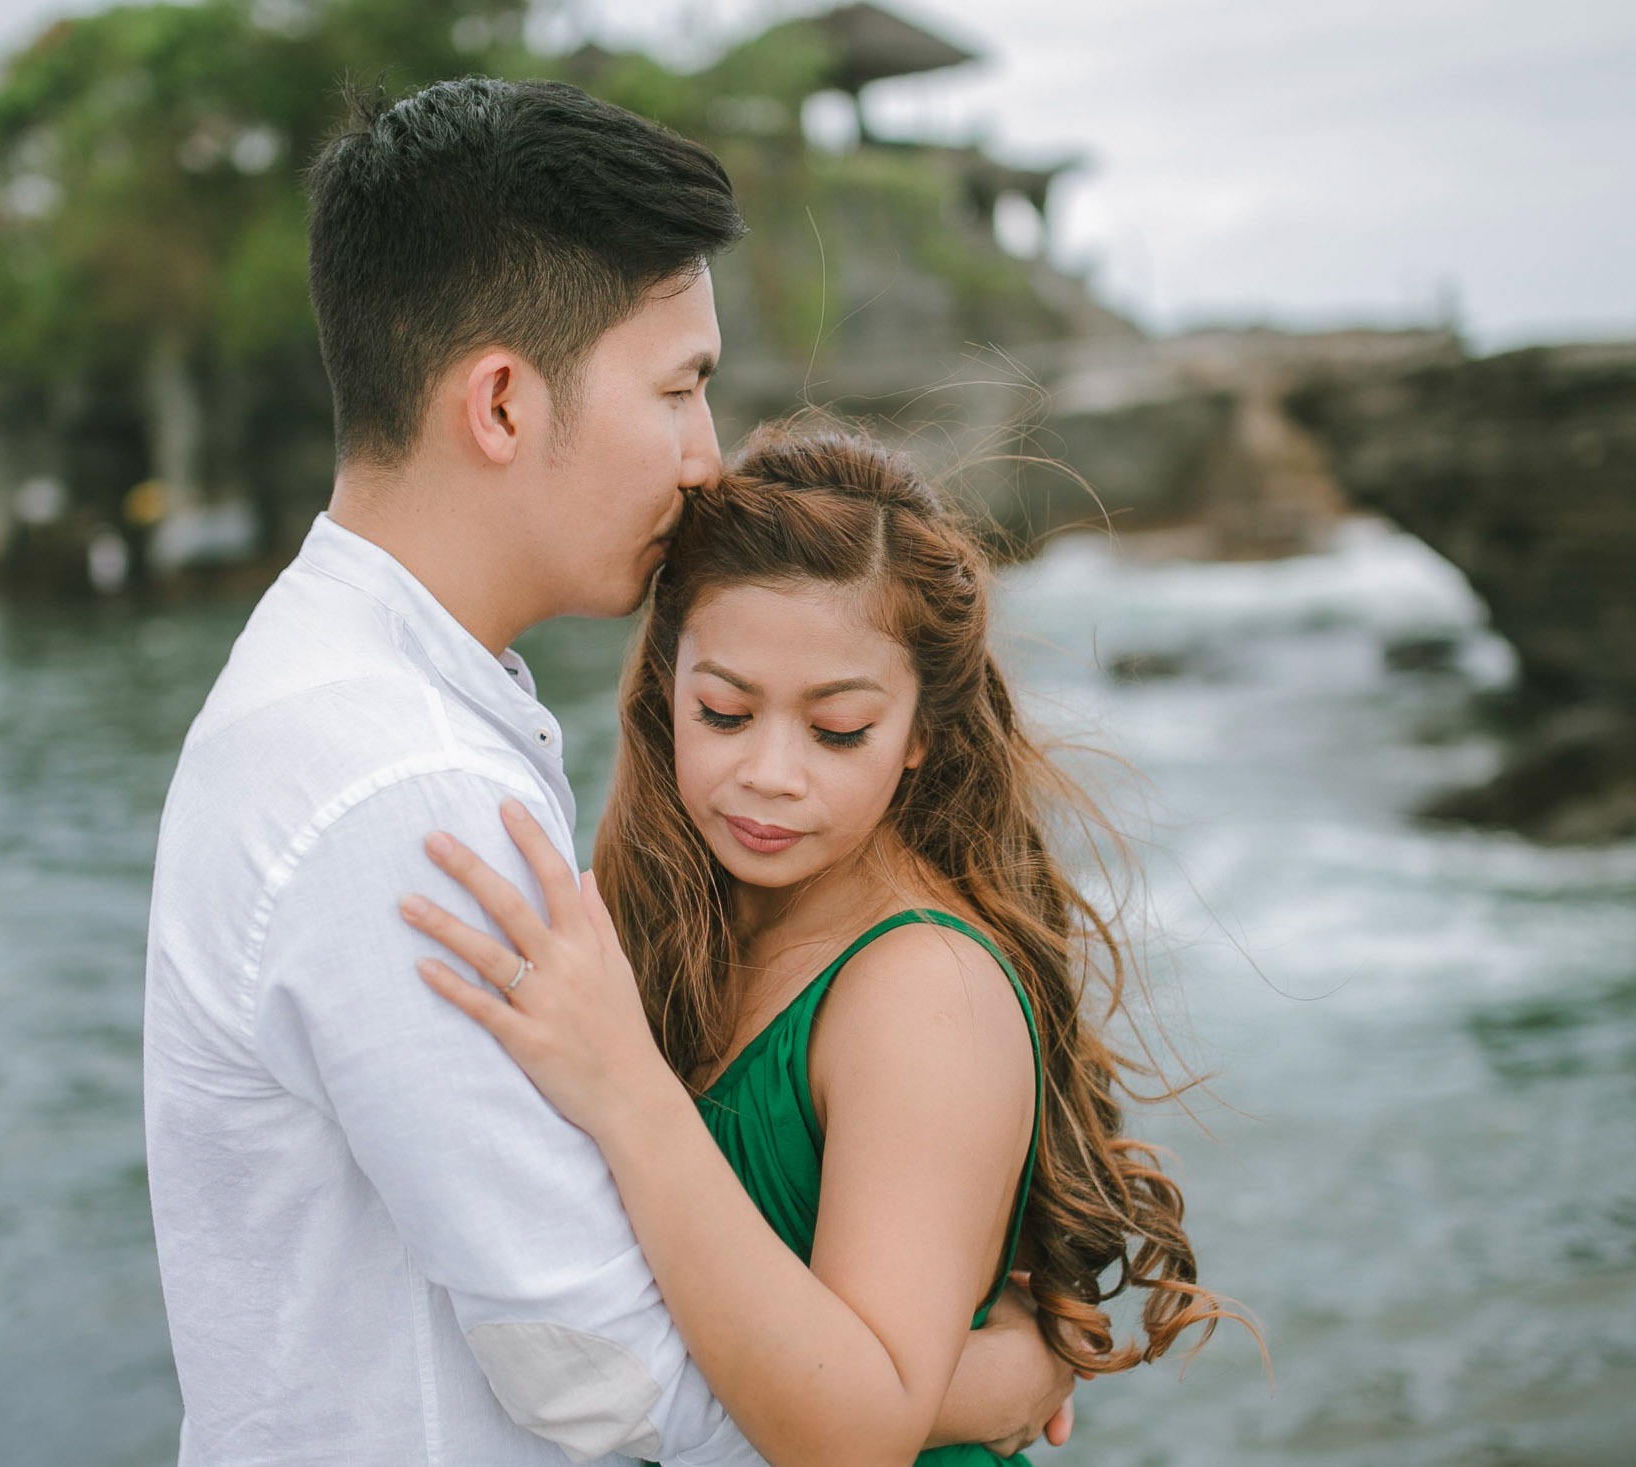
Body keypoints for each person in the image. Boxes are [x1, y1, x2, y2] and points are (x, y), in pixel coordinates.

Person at [141, 79, 1074, 1465]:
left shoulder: (346, 698)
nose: (708, 461)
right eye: (681, 386)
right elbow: (608, 1377)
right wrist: (988, 1378)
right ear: (505, 404)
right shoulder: (401, 793)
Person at [402, 426, 1250, 1466]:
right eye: (723, 711)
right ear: (667, 687)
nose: (769, 772)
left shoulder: (921, 989)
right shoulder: (674, 921)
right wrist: (989, 1380)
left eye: (837, 729)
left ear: (922, 735)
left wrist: (625, 1088)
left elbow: (852, 1435)